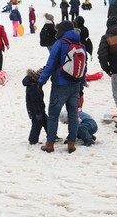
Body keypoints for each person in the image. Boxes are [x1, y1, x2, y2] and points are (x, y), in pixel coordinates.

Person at [37, 20, 86, 153]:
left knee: (53, 114)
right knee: (73, 115)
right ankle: (71, 143)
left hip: (60, 84)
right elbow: (83, 68)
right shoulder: (80, 44)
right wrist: (81, 86)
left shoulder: (60, 43)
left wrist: (41, 81)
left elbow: (51, 64)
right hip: (75, 84)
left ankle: (50, 143)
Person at [23, 67, 47, 145]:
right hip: (36, 109)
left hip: (38, 108)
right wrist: (38, 112)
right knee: (37, 123)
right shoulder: (33, 87)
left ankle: (52, 136)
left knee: (46, 121)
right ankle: (33, 140)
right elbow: (35, 101)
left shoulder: (33, 83)